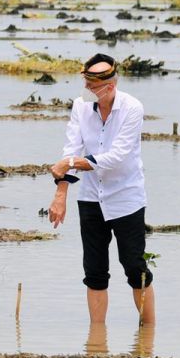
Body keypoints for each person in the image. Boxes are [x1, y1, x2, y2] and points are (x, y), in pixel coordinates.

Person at [48, 54, 154, 327]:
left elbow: (116, 156)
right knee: (94, 271)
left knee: (135, 268)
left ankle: (148, 336)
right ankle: (97, 340)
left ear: (109, 85)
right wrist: (61, 195)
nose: (87, 91)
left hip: (126, 198)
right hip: (91, 198)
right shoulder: (81, 107)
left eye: (92, 85)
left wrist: (71, 163)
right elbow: (70, 148)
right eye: (86, 83)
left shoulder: (132, 108)